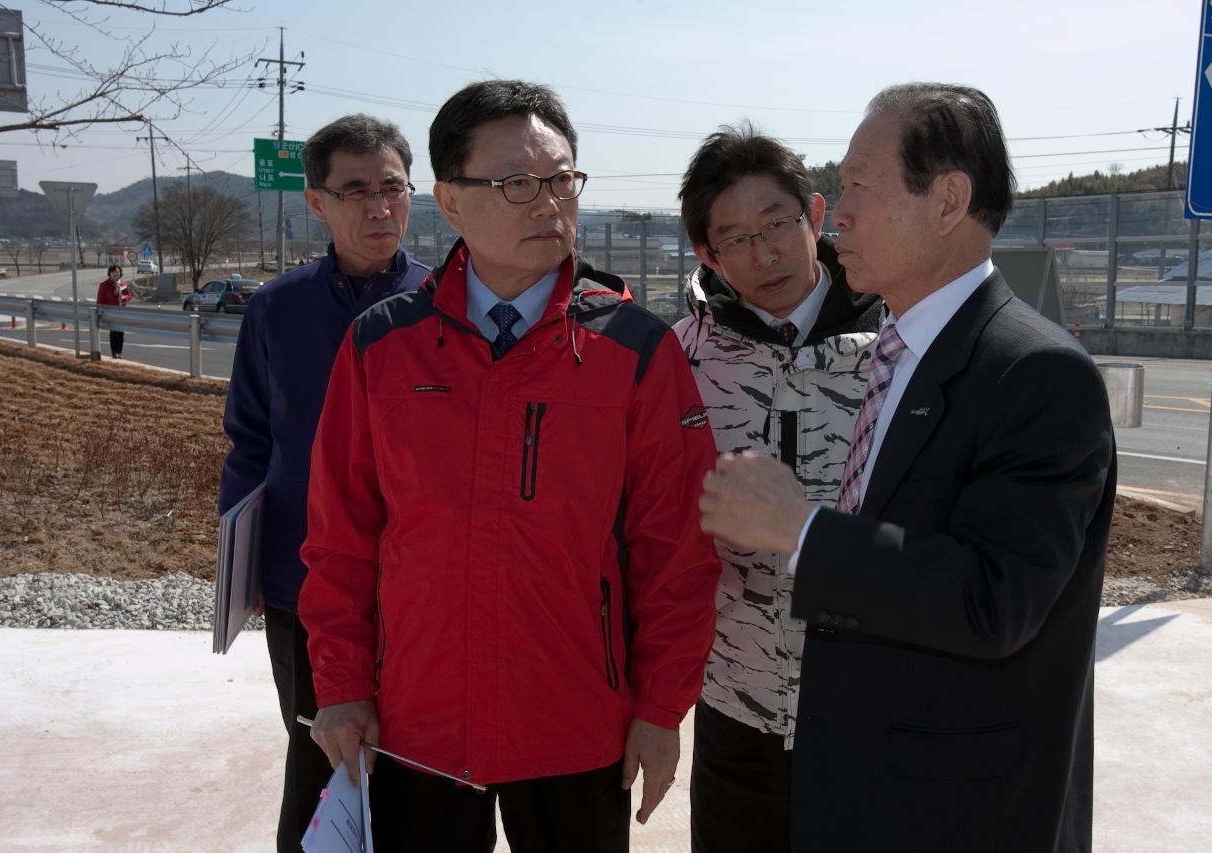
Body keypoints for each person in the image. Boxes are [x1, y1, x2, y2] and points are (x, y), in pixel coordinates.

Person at [298, 80, 720, 853]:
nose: (549, 204)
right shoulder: (380, 346)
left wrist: (662, 709)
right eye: (518, 184)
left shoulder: (634, 349)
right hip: (417, 722)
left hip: (575, 722)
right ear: (451, 204)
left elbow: (677, 551)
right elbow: (341, 539)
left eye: (563, 180)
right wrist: (342, 683)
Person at [698, 83, 1116, 853]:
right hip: (854, 783)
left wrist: (802, 529)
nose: (838, 212)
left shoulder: (1037, 374)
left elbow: (995, 598)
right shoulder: (906, 350)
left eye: (858, 185)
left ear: (949, 199)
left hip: (955, 808)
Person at [218, 113, 430, 853]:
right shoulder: (276, 308)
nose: (379, 207)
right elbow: (249, 443)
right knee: (320, 753)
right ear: (316, 202)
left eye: (393, 188)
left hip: (418, 585)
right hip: (301, 584)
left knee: (417, 766)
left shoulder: (446, 308)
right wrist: (241, 565)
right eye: (355, 191)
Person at [673, 125, 880, 853]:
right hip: (737, 706)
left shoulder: (901, 345)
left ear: (815, 216)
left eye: (777, 226)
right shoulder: (678, 364)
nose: (764, 256)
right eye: (735, 239)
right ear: (707, 253)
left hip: (876, 707)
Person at [95, 265, 133, 358]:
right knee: (114, 332)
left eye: (118, 272)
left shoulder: (122, 284)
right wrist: (100, 312)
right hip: (110, 312)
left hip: (121, 311)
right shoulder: (104, 285)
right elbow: (100, 300)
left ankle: (119, 352)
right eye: (114, 272)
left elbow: (129, 296)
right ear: (110, 273)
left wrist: (124, 297)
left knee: (121, 333)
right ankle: (114, 352)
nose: (116, 274)